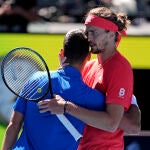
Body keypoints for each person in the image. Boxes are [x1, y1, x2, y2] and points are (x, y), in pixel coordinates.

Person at [39, 6, 141, 150]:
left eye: (94, 32)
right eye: (87, 32)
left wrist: (66, 107)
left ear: (111, 34)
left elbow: (111, 124)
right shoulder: (89, 65)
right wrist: (64, 73)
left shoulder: (120, 68)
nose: (89, 38)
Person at [2, 29, 106, 150]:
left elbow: (14, 125)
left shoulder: (35, 79)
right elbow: (114, 122)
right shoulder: (94, 98)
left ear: (62, 53)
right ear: (88, 57)